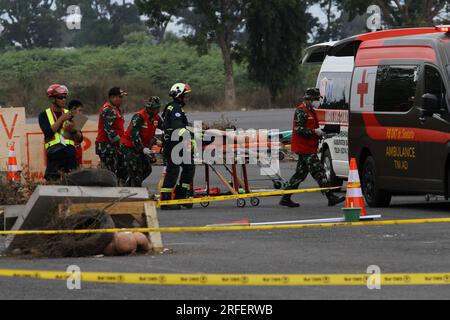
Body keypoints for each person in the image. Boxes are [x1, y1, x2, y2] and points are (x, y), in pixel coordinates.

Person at [280, 88, 345, 208]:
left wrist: (323, 133)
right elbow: (298, 129)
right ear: (309, 99)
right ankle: (330, 196)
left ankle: (285, 197)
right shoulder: (301, 111)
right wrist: (314, 132)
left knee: (300, 174)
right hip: (304, 148)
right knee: (319, 171)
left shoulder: (311, 111)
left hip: (309, 147)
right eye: (315, 99)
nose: (316, 101)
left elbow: (312, 128)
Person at [160, 83, 196, 211]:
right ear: (179, 95)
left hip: (179, 144)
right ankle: (165, 200)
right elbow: (177, 128)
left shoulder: (176, 108)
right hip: (174, 144)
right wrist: (191, 137)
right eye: (185, 96)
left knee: (189, 168)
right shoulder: (174, 108)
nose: (187, 98)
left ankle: (181, 196)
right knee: (173, 171)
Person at [39, 84, 83, 181]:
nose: (64, 99)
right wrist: (61, 119)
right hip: (54, 154)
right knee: (53, 183)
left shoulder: (73, 113)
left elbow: (80, 139)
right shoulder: (43, 115)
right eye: (60, 97)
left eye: (65, 97)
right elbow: (48, 133)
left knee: (73, 183)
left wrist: (73, 130)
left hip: (70, 155)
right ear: (52, 99)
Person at [121, 97, 164, 187]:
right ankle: (134, 188)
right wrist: (142, 148)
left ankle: (130, 185)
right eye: (156, 108)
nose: (158, 110)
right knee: (135, 170)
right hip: (130, 147)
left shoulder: (156, 118)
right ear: (149, 108)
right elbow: (134, 135)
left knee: (147, 169)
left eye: (158, 108)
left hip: (142, 148)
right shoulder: (139, 116)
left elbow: (164, 127)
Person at [95, 87, 126, 179]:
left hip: (111, 146)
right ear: (112, 97)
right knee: (108, 172)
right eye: (120, 97)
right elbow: (108, 128)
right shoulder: (109, 110)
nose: (121, 99)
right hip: (106, 146)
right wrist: (119, 141)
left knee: (115, 169)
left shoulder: (115, 109)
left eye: (122, 97)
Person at [68, 100, 84, 168]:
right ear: (73, 109)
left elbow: (79, 139)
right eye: (79, 110)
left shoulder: (78, 119)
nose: (81, 113)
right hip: (69, 153)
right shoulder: (65, 120)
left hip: (77, 151)